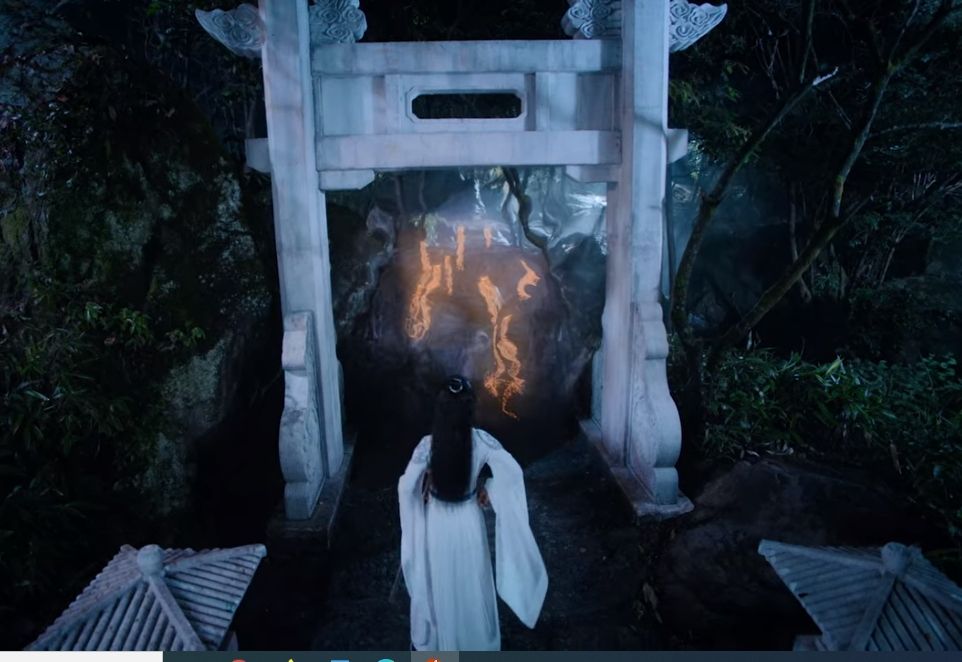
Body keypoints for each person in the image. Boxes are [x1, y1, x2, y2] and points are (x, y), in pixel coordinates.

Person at [398, 375, 548, 651]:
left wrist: (421, 490)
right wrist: (490, 489)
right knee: (472, 586)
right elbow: (513, 474)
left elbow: (406, 484)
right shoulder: (481, 441)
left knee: (442, 585)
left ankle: (443, 649)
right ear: (470, 409)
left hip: (438, 525)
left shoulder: (427, 445)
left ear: (440, 409)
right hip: (469, 521)